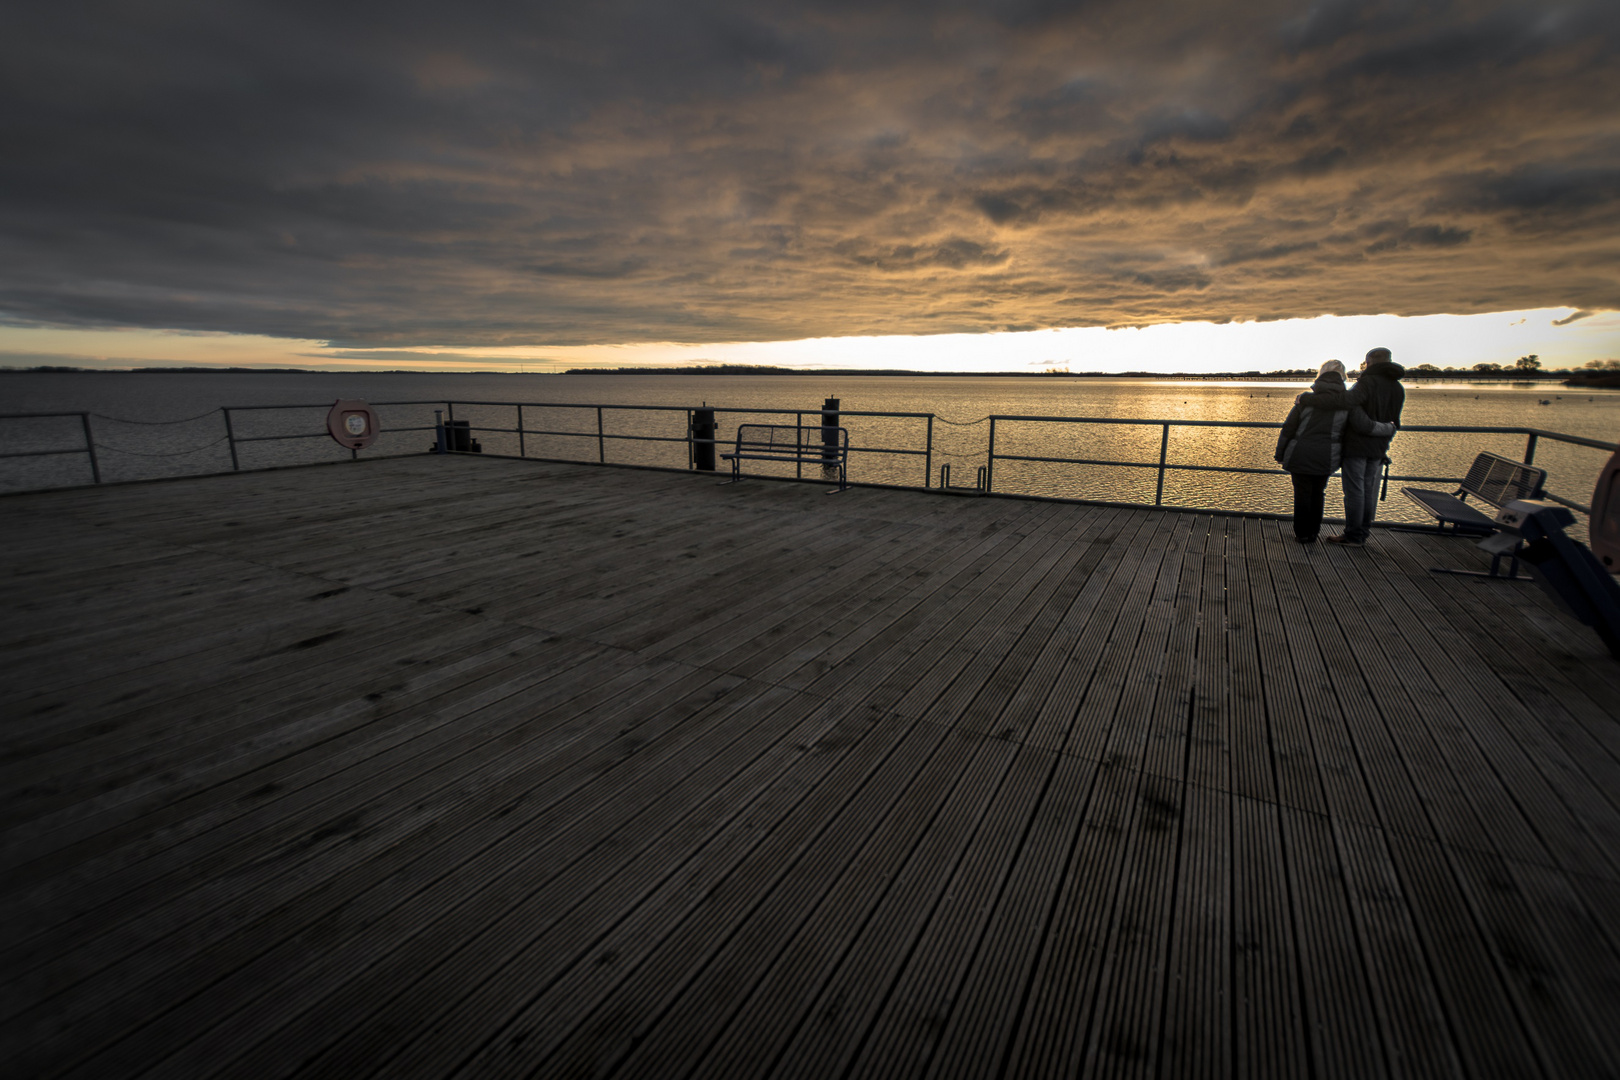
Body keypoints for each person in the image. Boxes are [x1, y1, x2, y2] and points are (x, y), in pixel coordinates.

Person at [1295, 346, 1406, 546]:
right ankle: (1361, 533)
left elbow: (1344, 401)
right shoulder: (1398, 387)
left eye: (1365, 363)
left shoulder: (1367, 383)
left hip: (1357, 446)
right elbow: (1394, 423)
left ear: (1370, 362)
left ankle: (1353, 535)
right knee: (1368, 490)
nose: (1364, 367)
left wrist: (1307, 398)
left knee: (1355, 492)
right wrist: (1384, 433)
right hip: (1379, 448)